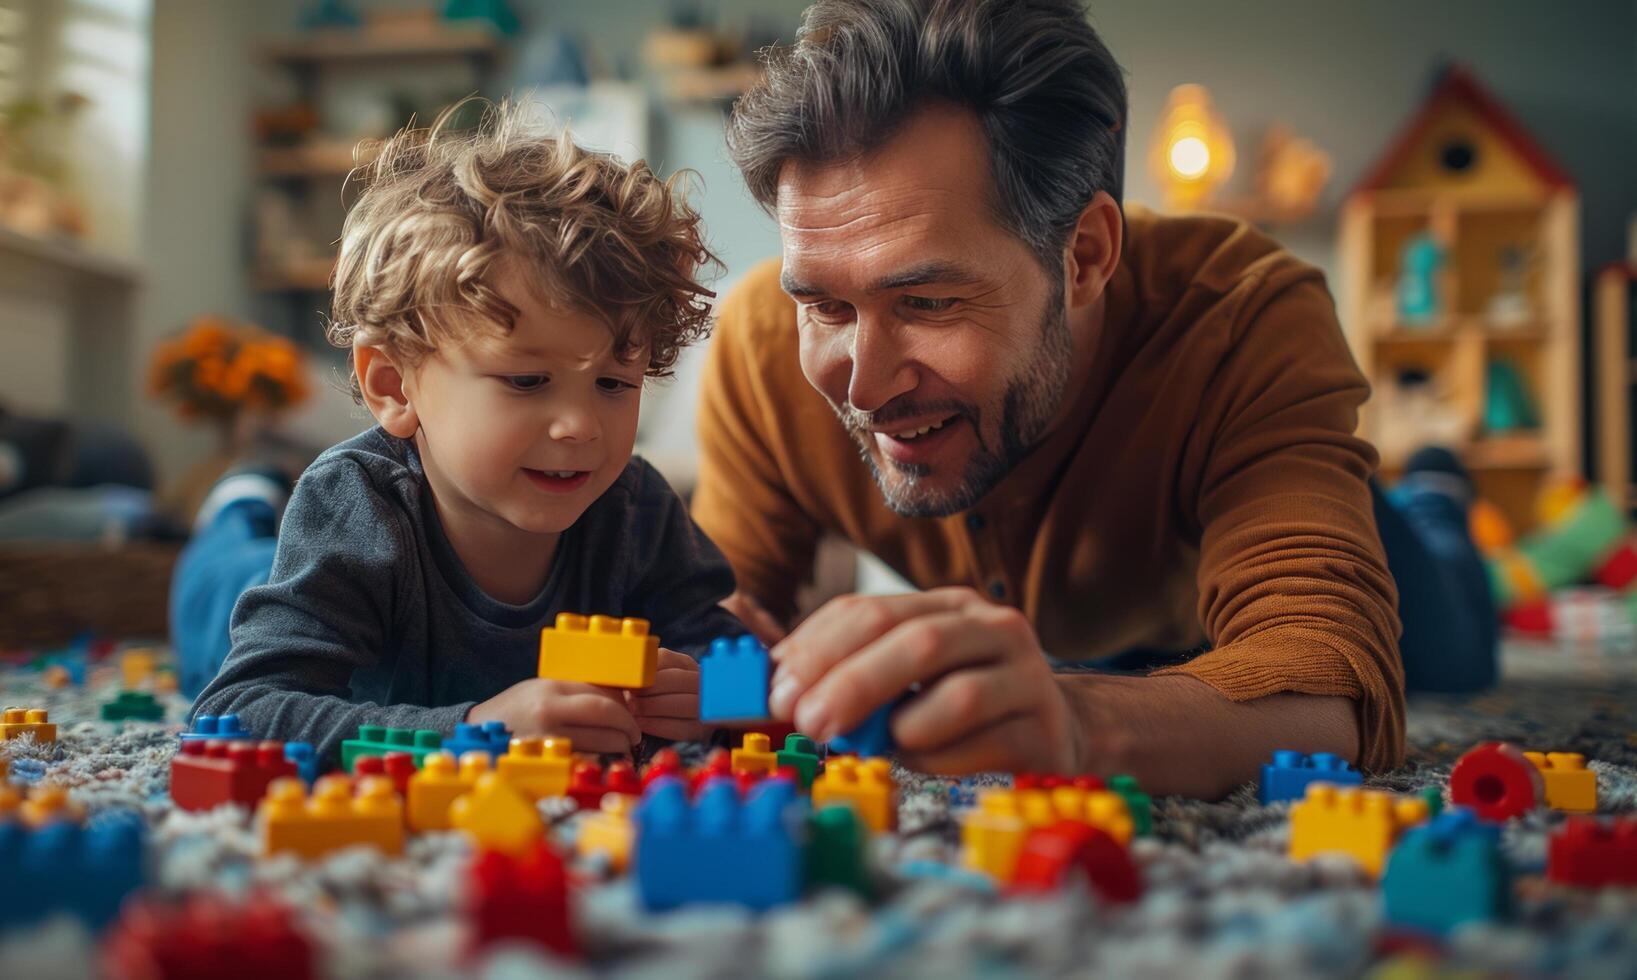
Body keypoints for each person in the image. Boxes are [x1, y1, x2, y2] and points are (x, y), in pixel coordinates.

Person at [696, 0, 1495, 797]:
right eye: (825, 307)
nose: (862, 387)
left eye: (929, 303)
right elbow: (720, 611)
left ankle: (1433, 496)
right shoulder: (758, 347)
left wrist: (1078, 726)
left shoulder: (1244, 315)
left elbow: (1330, 694)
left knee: (1452, 650)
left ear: (1083, 256)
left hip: (1276, 588)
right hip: (1107, 640)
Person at [189, 101, 739, 758]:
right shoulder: (355, 505)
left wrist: (716, 696)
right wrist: (472, 731)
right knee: (234, 566)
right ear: (394, 386)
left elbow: (732, 649)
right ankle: (239, 502)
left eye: (614, 385)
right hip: (232, 593)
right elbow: (237, 711)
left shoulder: (635, 508)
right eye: (526, 381)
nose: (579, 426)